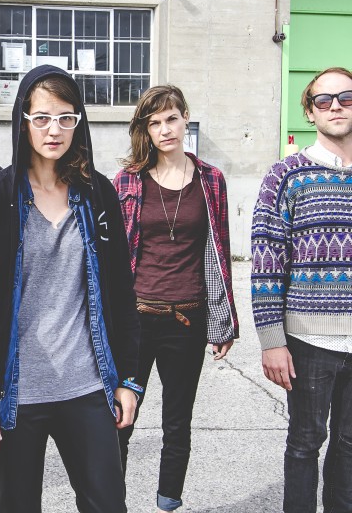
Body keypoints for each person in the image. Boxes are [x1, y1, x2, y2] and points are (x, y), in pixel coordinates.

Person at [0, 65, 141, 513]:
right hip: (18, 394)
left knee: (107, 504)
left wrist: (129, 380)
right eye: (41, 118)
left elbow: (121, 292)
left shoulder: (98, 194)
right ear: (23, 121)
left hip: (87, 384)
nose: (53, 130)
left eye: (65, 118)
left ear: (78, 122)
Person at [113, 85, 238, 513]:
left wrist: (223, 320)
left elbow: (219, 253)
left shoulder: (211, 181)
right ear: (145, 130)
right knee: (120, 419)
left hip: (187, 319)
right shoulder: (127, 181)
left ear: (185, 118)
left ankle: (168, 502)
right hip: (135, 320)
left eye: (171, 119)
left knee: (177, 423)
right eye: (155, 123)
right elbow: (111, 258)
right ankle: (111, 503)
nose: (165, 129)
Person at [251, 67, 352, 513]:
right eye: (324, 100)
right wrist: (271, 341)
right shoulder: (286, 176)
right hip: (309, 340)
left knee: (350, 448)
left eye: (346, 97)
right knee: (305, 444)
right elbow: (266, 262)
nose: (336, 107)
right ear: (309, 112)